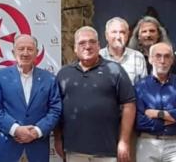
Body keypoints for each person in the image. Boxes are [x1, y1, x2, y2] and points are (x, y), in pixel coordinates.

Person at [55, 26, 136, 162]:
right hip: (74, 150)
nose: (87, 46)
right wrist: (58, 139)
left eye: (92, 42)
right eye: (82, 43)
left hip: (107, 151)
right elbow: (56, 109)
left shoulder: (115, 70)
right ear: (75, 48)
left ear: (99, 46)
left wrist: (124, 141)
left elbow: (129, 104)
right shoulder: (64, 74)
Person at [0, 34, 62, 162]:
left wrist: (36, 131)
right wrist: (16, 129)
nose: (25, 53)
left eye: (30, 49)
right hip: (7, 149)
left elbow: (55, 110)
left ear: (37, 52)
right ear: (13, 52)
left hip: (37, 148)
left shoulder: (49, 78)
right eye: (21, 49)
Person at [134, 42, 176, 162]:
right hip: (147, 143)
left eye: (167, 56)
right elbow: (139, 121)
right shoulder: (140, 86)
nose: (162, 60)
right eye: (158, 56)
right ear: (150, 59)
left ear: (172, 60)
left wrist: (157, 114)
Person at [99, 17, 148, 84]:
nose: (118, 37)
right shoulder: (97, 57)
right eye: (114, 32)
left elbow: (143, 88)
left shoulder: (137, 57)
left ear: (128, 35)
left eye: (122, 32)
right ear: (106, 35)